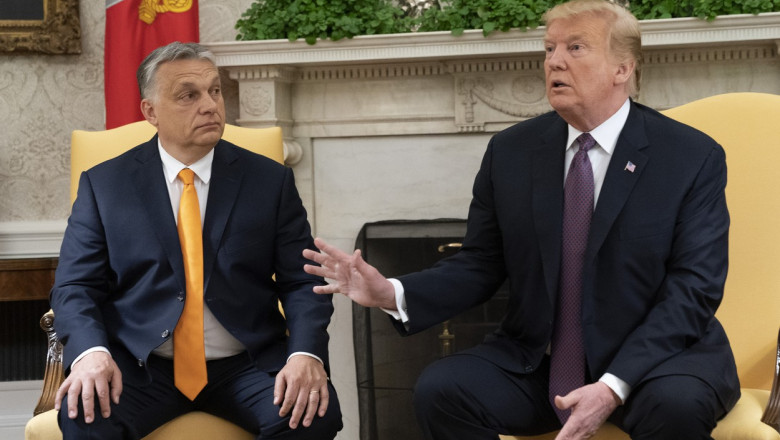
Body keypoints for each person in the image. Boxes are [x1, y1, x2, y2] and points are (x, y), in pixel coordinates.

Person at [303, 1, 739, 439]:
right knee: (442, 388)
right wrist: (389, 292)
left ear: (622, 68)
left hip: (655, 364)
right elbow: (479, 265)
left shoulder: (689, 157)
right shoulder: (511, 152)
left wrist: (611, 386)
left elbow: (693, 289)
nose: (555, 61)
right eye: (549, 48)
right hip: (540, 362)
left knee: (676, 406)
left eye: (575, 47)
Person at [50, 41, 342, 439]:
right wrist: (90, 353)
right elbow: (75, 287)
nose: (210, 105)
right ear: (150, 111)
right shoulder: (105, 186)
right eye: (188, 95)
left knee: (312, 415)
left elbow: (304, 281)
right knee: (85, 416)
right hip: (140, 365)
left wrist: (305, 353)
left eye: (214, 90)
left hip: (245, 363)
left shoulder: (269, 181)